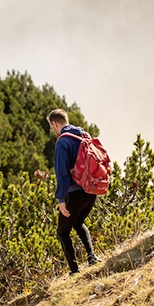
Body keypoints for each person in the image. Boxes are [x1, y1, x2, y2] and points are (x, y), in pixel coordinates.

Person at [47, 108, 102, 275]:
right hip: (91, 190)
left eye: (51, 127)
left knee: (62, 232)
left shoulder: (62, 142)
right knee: (78, 223)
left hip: (74, 192)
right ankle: (92, 257)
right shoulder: (83, 135)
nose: (52, 130)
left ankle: (74, 270)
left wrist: (61, 199)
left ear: (55, 123)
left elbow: (62, 173)